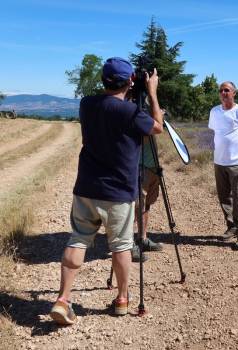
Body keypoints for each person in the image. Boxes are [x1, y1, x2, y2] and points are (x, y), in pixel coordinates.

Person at [50, 57, 164, 325]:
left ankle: (63, 299)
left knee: (78, 238)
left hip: (87, 187)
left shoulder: (86, 104)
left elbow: (111, 109)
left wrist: (133, 93)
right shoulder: (130, 113)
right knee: (122, 245)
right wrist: (152, 93)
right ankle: (122, 299)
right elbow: (156, 127)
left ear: (103, 80)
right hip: (118, 192)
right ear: (130, 81)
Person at [208, 81, 238, 250]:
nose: (223, 92)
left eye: (226, 90)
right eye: (221, 90)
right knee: (224, 198)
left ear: (234, 93)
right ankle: (231, 226)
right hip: (219, 162)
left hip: (236, 163)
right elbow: (216, 133)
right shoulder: (214, 112)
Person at [131, 136, 163, 262]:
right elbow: (153, 128)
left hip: (152, 165)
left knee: (147, 203)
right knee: (135, 205)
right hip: (139, 164)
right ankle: (128, 244)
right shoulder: (140, 116)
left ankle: (142, 239)